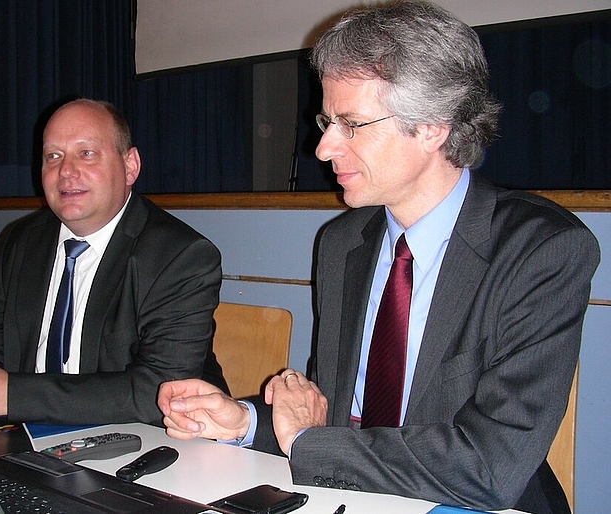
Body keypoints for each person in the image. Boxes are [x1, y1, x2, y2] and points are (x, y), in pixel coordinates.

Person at [157, 2, 600, 512]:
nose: (323, 149)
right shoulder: (343, 241)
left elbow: (490, 464)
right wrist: (247, 422)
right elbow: (328, 407)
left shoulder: (540, 250)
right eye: (328, 120)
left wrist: (303, 442)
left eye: (351, 124)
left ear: (432, 125)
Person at [0, 98, 227, 425]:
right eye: (53, 156)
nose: (66, 171)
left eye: (86, 153)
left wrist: (10, 395)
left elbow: (159, 390)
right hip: (29, 437)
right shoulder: (23, 241)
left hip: (148, 444)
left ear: (130, 165)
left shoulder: (181, 256)